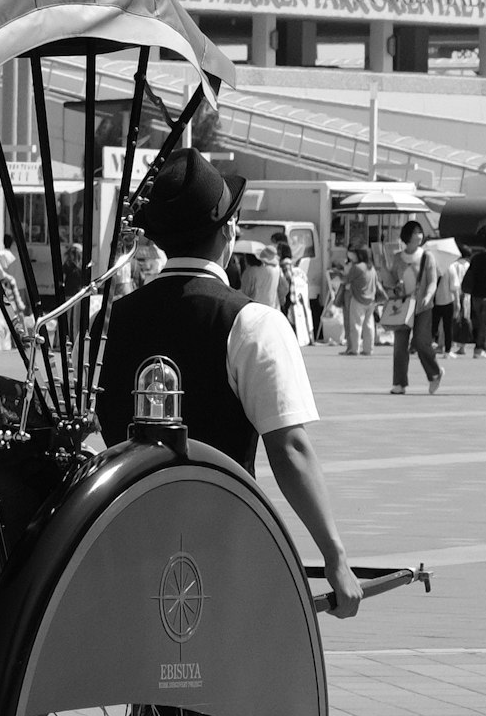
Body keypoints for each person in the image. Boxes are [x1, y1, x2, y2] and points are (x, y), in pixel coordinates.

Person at [93, 152, 356, 617]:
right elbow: (290, 448)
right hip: (224, 540)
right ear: (227, 230)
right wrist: (334, 557)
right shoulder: (253, 323)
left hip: (133, 531)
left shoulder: (111, 320)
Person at [385, 219, 442, 395]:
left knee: (420, 341)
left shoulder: (427, 256)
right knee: (400, 345)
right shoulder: (397, 257)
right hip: (403, 306)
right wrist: (394, 285)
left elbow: (433, 281)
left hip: (423, 307)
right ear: (408, 235)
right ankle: (399, 383)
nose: (420, 234)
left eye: (420, 231)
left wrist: (428, 295)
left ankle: (435, 373)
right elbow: (390, 281)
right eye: (416, 231)